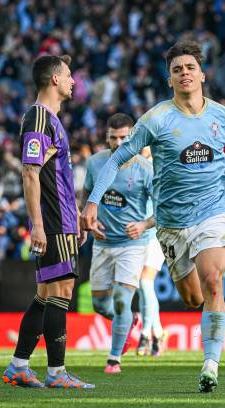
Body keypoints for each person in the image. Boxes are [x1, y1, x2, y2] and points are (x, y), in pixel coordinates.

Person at [81, 40, 225, 392]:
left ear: (202, 74)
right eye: (177, 69)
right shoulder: (156, 119)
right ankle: (198, 332)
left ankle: (210, 365)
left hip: (211, 214)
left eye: (190, 67)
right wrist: (91, 202)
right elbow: (116, 159)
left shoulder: (224, 118)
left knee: (213, 281)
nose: (184, 74)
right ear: (170, 79)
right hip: (170, 225)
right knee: (194, 298)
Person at [3, 54, 93, 389]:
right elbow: (30, 172)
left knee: (44, 294)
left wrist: (77, 218)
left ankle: (19, 366)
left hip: (64, 220)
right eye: (69, 75)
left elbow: (58, 177)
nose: (73, 81)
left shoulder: (50, 119)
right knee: (61, 291)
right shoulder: (39, 118)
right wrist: (38, 225)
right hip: (53, 222)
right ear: (54, 79)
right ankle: (56, 373)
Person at [83, 113, 155, 374]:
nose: (118, 143)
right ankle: (128, 321)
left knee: (123, 299)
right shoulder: (95, 163)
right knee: (101, 305)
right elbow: (87, 195)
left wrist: (144, 225)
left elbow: (162, 210)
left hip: (133, 244)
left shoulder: (146, 169)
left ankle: (114, 359)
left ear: (133, 137)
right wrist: (87, 222)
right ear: (106, 137)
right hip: (102, 243)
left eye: (124, 137)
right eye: (113, 138)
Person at [137, 146, 167, 357]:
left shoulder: (157, 167)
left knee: (145, 283)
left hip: (156, 233)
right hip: (137, 235)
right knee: (143, 286)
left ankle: (146, 333)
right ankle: (157, 332)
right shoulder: (134, 168)